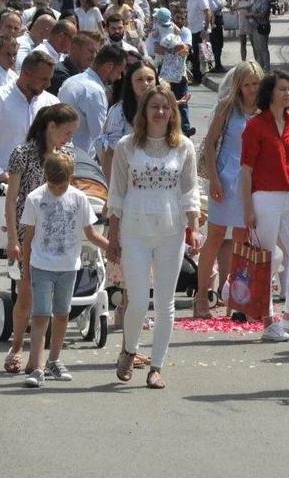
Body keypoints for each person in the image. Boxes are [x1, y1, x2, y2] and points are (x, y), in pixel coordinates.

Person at [108, 86, 201, 389]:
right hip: (134, 230)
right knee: (137, 301)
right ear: (144, 112)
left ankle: (157, 365)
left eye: (165, 107)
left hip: (170, 232)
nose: (160, 112)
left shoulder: (183, 146)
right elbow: (117, 192)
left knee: (165, 303)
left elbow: (189, 191)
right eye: (154, 107)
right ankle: (129, 350)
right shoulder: (127, 146)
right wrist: (113, 235)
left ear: (173, 112)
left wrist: (194, 226)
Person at [0, 51, 60, 332]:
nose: (47, 83)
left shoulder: (50, 103)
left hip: (39, 188)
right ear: (26, 73)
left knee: (31, 250)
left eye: (50, 78)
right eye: (43, 78)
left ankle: (21, 310)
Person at [1, 103, 80, 374]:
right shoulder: (22, 153)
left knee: (55, 302)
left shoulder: (68, 154)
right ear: (51, 126)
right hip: (28, 233)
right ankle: (17, 347)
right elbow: (11, 199)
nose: (69, 138)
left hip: (59, 235)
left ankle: (45, 358)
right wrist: (12, 237)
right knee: (26, 296)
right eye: (67, 132)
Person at [21, 153, 108, 388]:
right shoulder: (35, 198)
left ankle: (54, 360)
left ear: (71, 178)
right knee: (40, 316)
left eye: (62, 184)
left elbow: (91, 233)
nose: (58, 189)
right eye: (52, 184)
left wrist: (114, 249)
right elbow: (28, 239)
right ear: (45, 178)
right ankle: (37, 368)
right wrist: (25, 271)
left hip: (69, 267)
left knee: (62, 314)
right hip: (41, 266)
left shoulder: (79, 199)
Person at [239, 70, 289, 340]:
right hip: (264, 197)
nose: (288, 93)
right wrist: (247, 208)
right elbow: (246, 170)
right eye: (282, 89)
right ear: (270, 91)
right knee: (265, 262)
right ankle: (269, 321)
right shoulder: (255, 126)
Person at [197, 61, 262, 318]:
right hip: (226, 177)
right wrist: (213, 178)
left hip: (252, 181)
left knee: (241, 240)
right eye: (246, 84)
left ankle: (236, 297)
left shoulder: (264, 108)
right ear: (238, 85)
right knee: (214, 237)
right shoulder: (227, 107)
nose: (251, 89)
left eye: (255, 83)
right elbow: (211, 144)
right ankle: (201, 296)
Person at [58, 43, 127, 155]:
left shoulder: (71, 80)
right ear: (109, 66)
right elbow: (100, 139)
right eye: (119, 72)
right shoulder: (94, 92)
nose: (119, 77)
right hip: (79, 160)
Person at [98, 60, 157, 180]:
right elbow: (108, 153)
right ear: (130, 83)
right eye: (139, 80)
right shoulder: (119, 111)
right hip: (126, 179)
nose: (146, 84)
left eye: (150, 79)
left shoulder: (163, 109)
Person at [50, 31, 99, 95]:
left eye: (96, 52)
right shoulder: (59, 73)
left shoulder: (86, 75)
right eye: (90, 51)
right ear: (75, 48)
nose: (94, 56)